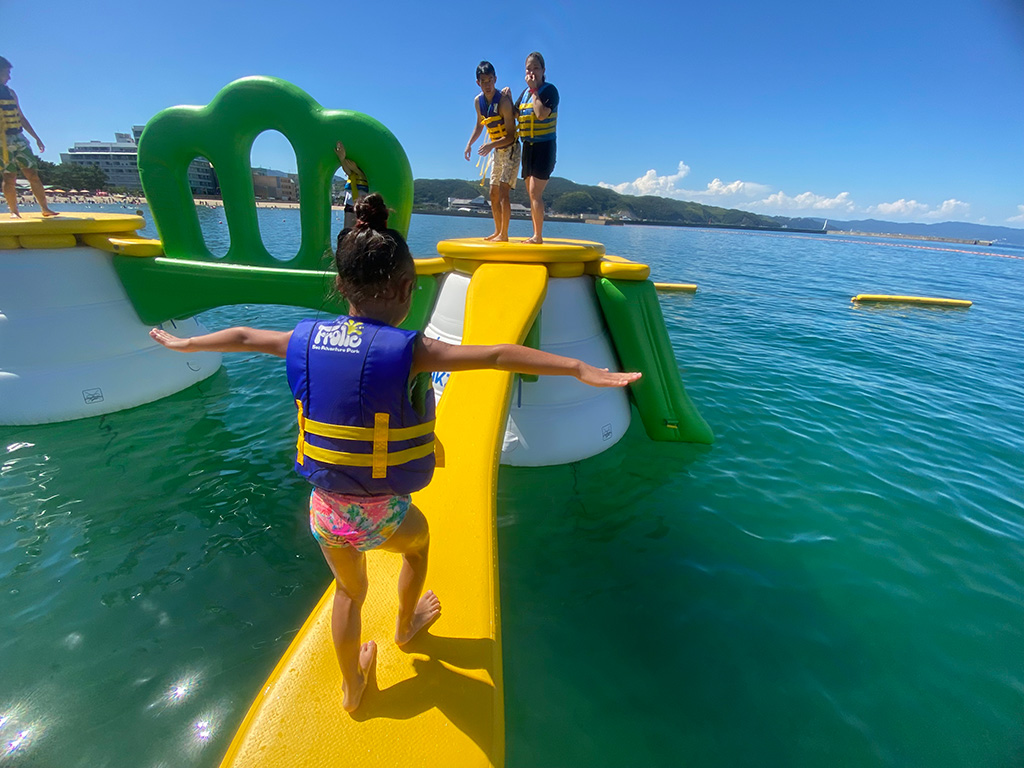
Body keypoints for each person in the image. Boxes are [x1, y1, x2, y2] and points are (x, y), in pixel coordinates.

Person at [150, 192, 640, 713]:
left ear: (340, 286)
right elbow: (497, 353)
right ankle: (406, 626)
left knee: (350, 593)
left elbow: (245, 335)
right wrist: (577, 368)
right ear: (408, 289)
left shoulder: (302, 337)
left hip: (324, 511)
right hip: (379, 512)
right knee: (419, 544)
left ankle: (352, 686)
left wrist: (187, 346)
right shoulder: (413, 353)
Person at [463, 61, 520, 242]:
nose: (487, 84)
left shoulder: (503, 102)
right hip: (496, 150)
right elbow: (480, 125)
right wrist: (470, 143)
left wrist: (490, 146)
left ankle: (504, 235)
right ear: (478, 82)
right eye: (483, 81)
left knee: (503, 191)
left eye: (490, 80)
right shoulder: (478, 102)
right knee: (493, 193)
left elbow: (511, 136)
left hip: (510, 149)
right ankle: (497, 231)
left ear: (495, 79)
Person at [0, 56, 58, 218]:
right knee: (9, 176)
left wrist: (36, 137)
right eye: (7, 73)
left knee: (32, 174)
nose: (9, 77)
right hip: (2, 142)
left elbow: (21, 117)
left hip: (18, 138)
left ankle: (45, 209)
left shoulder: (11, 93)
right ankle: (14, 212)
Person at [513, 52, 558, 244]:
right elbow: (514, 113)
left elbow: (540, 114)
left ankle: (538, 236)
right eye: (528, 69)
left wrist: (534, 91)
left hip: (544, 147)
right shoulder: (524, 94)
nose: (532, 72)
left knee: (535, 192)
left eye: (536, 68)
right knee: (530, 193)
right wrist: (504, 97)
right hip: (528, 147)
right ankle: (535, 234)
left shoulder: (550, 91)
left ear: (543, 71)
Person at [335, 139, 369, 229]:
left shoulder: (368, 170)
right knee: (347, 230)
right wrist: (342, 159)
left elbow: (369, 178)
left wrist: (356, 170)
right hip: (351, 202)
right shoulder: (353, 173)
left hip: (364, 204)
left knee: (361, 232)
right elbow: (349, 172)